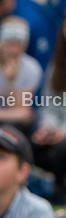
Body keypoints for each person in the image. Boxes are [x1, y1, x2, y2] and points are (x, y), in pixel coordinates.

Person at [30, 15, 66, 202]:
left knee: (63, 149)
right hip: (58, 130)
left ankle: (59, 191)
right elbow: (49, 106)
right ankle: (45, 189)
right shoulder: (57, 65)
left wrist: (63, 132)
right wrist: (48, 128)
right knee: (32, 144)